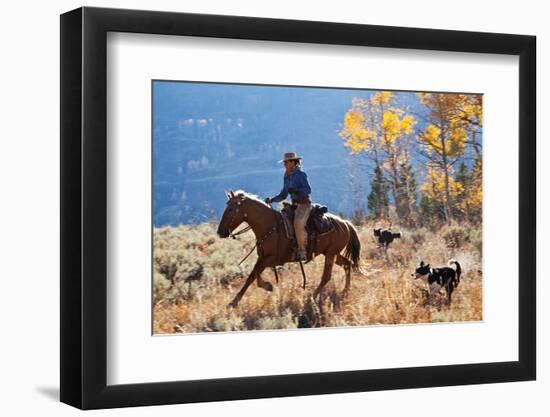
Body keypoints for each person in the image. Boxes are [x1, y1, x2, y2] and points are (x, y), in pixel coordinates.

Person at [265, 152, 312, 261]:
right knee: (282, 223)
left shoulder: (301, 175)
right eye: (284, 162)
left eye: (286, 162)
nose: (284, 164)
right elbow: (283, 195)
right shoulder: (287, 177)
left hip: (304, 205)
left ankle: (302, 251)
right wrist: (272, 200)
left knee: (298, 224)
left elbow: (308, 190)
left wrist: (296, 191)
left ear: (293, 162)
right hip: (294, 206)